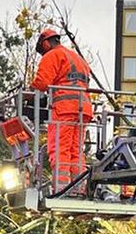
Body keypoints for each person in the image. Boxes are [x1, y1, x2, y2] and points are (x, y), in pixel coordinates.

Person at [29, 27, 94, 191]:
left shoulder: (52, 55)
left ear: (45, 44)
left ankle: (61, 187)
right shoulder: (77, 58)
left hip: (64, 108)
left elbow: (42, 83)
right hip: (83, 108)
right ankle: (79, 187)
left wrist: (28, 94)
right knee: (76, 151)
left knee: (59, 148)